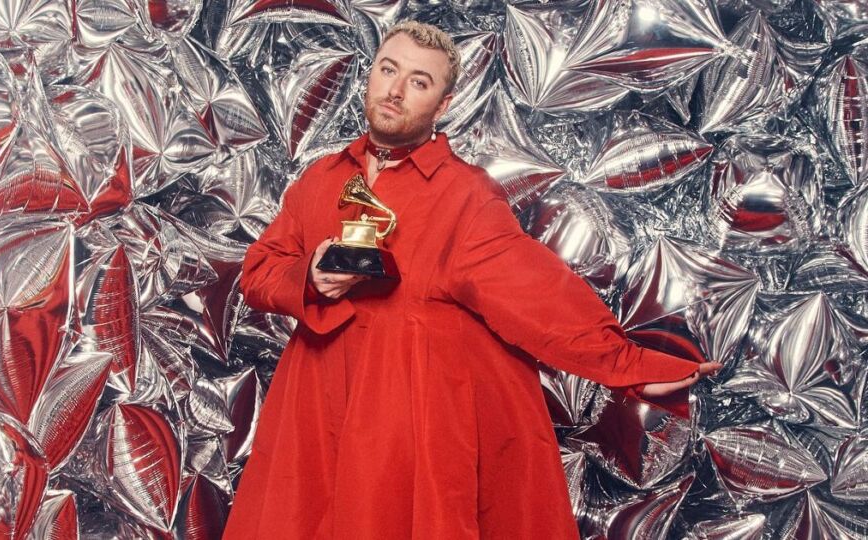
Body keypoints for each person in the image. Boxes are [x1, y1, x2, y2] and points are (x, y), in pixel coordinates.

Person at [222, 21, 721, 539]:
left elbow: (538, 294)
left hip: (400, 415)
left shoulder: (465, 195)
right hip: (315, 402)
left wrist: (629, 365)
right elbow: (259, 272)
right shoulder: (320, 178)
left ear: (442, 106)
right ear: (369, 75)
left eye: (419, 81)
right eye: (388, 70)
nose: (394, 90)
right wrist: (309, 279)